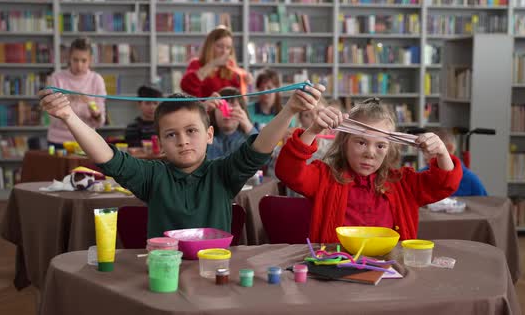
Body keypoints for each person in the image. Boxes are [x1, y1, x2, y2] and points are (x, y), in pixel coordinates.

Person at [39, 83, 324, 238]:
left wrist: (289, 110)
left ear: (209, 134)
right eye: (172, 135)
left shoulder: (222, 173)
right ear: (160, 144)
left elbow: (258, 149)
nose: (183, 140)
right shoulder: (152, 176)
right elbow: (108, 157)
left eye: (191, 131)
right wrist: (69, 117)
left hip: (216, 272)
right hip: (165, 271)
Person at [275, 98, 463, 243]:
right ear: (344, 142)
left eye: (380, 146)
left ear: (391, 148)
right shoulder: (325, 178)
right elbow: (288, 172)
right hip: (336, 270)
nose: (370, 153)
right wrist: (313, 130)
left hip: (391, 272)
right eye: (361, 142)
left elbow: (444, 184)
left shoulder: (403, 184)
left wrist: (442, 153)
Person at [47, 37, 106, 148]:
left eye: (84, 61)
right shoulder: (57, 78)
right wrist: (70, 100)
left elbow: (100, 122)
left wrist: (96, 114)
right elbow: (52, 116)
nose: (79, 65)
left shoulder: (97, 80)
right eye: (75, 60)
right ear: (69, 58)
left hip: (87, 139)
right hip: (59, 140)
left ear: (90, 60)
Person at [180, 26, 251, 98]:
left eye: (228, 48)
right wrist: (213, 64)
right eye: (220, 46)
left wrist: (244, 81)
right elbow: (187, 88)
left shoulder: (230, 69)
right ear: (210, 46)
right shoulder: (196, 64)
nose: (224, 51)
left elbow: (237, 97)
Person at [421, 128, 488, 196]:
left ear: (449, 149)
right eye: (423, 152)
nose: (425, 157)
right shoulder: (421, 175)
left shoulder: (470, 180)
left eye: (430, 151)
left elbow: (484, 203)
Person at [207, 87, 257, 159]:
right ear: (213, 112)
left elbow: (263, 158)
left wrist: (248, 126)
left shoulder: (248, 139)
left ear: (243, 112)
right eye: (222, 106)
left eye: (233, 106)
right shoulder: (206, 139)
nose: (227, 111)